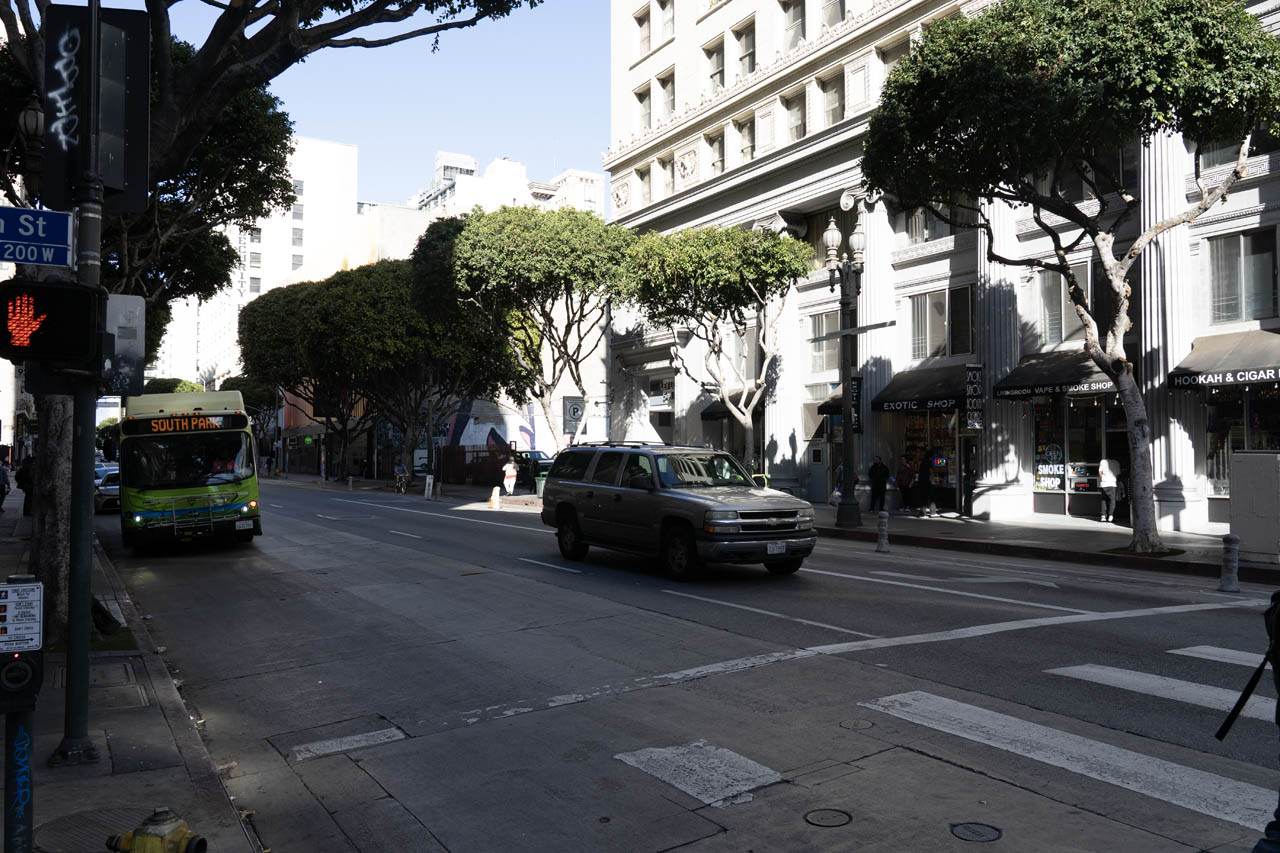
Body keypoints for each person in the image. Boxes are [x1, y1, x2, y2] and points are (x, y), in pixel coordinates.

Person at [1099, 457, 1120, 523]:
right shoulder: (1116, 462)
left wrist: (1103, 479)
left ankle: (1103, 516)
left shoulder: (1102, 461)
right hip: (1112, 483)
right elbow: (1118, 474)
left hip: (1104, 484)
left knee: (1103, 500)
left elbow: (1100, 472)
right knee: (1112, 500)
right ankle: (1111, 516)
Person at [916, 452, 937, 518]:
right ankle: (932, 512)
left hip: (921, 482)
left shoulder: (922, 463)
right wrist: (933, 481)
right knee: (932, 497)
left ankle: (923, 513)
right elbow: (931, 472)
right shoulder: (929, 463)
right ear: (930, 457)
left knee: (923, 497)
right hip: (928, 482)